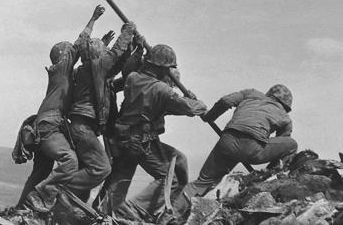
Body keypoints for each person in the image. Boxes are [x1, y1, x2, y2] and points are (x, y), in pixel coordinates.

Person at [102, 44, 207, 221]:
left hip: (122, 138)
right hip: (141, 141)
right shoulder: (161, 89)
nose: (169, 72)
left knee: (120, 181)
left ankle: (105, 211)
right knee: (170, 178)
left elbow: (157, 105)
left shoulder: (133, 79)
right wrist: (198, 102)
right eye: (167, 69)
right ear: (161, 67)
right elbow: (189, 109)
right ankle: (139, 209)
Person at [15, 5, 105, 210]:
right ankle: (41, 197)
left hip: (45, 125)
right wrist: (93, 19)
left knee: (40, 172)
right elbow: (80, 42)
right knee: (70, 161)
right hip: (49, 126)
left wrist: (99, 48)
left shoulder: (62, 75)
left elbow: (86, 58)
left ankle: (21, 209)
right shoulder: (62, 68)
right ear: (63, 56)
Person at [171, 84, 298, 218]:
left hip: (227, 141)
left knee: (202, 182)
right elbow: (281, 144)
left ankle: (171, 214)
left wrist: (209, 117)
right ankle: (269, 178)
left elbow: (226, 101)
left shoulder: (251, 93)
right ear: (286, 105)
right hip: (253, 149)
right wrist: (271, 169)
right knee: (291, 145)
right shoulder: (285, 117)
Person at [63, 19, 137, 202]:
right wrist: (127, 31)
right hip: (83, 128)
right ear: (98, 54)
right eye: (103, 51)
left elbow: (118, 63)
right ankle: (56, 186)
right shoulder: (96, 67)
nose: (106, 53)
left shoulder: (87, 71)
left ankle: (69, 207)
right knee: (102, 168)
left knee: (86, 171)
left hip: (81, 127)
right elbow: (116, 53)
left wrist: (134, 49)